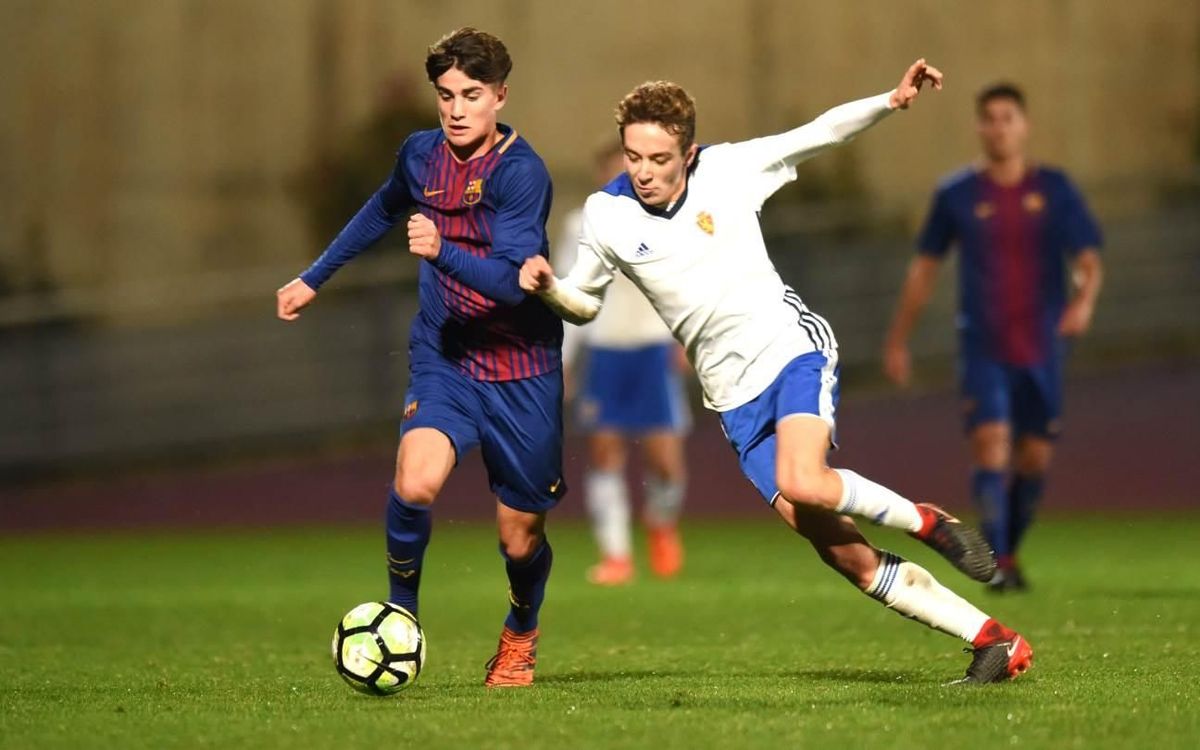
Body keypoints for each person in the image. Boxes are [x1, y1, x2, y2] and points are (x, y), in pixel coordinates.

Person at [521, 60, 1034, 684]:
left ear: (688, 152)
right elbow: (584, 302)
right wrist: (550, 289)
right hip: (730, 399)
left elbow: (820, 133)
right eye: (634, 157)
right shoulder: (607, 214)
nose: (644, 171)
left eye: (659, 158)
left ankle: (928, 522)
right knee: (841, 552)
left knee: (803, 479)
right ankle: (994, 641)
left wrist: (890, 99)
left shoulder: (728, 170)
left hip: (789, 350)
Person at [276, 28, 562, 688]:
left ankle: (521, 630)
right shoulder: (419, 155)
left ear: (500, 96)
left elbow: (510, 283)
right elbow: (381, 210)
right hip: (446, 355)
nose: (457, 110)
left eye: (472, 95)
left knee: (519, 537)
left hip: (521, 368)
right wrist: (314, 277)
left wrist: (441, 250)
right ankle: (400, 613)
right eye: (446, 95)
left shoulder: (521, 174)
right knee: (415, 482)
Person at [883, 82, 1103, 592]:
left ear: (1024, 126)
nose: (999, 128)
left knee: (1034, 459)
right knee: (991, 447)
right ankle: (998, 565)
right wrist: (898, 339)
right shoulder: (957, 194)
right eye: (990, 119)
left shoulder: (1054, 189)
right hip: (983, 346)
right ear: (979, 127)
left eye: (1008, 118)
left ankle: (1007, 551)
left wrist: (1084, 300)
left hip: (1042, 346)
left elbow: (1088, 259)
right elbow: (924, 269)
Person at [554, 142, 690, 586]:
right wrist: (563, 360)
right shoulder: (581, 224)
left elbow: (685, 287)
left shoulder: (668, 219)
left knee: (665, 461)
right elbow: (568, 293)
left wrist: (688, 340)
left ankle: (660, 521)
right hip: (605, 351)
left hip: (653, 349)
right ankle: (616, 555)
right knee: (604, 453)